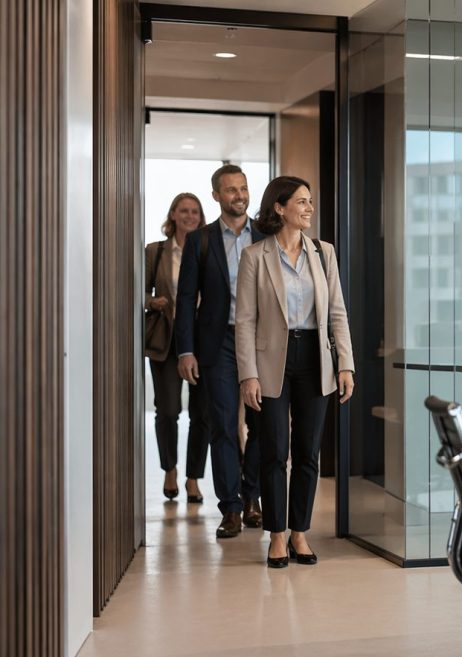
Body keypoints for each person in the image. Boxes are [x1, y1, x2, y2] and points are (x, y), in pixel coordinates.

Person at [235, 176, 354, 568]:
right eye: (302, 202)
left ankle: (300, 533)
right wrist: (247, 375)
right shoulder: (255, 256)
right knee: (274, 451)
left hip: (315, 358)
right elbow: (246, 321)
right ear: (280, 208)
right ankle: (277, 535)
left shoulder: (324, 253)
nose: (309, 208)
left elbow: (337, 311)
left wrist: (345, 365)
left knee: (308, 452)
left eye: (310, 202)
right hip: (272, 361)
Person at [175, 164, 265, 539]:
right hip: (218, 343)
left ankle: (252, 499)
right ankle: (230, 507)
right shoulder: (202, 240)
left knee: (261, 425)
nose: (239, 195)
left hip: (261, 341)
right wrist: (186, 351)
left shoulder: (266, 235)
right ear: (216, 195)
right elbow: (185, 298)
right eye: (230, 190)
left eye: (243, 188)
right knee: (224, 425)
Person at [146, 193, 210, 504]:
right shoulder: (155, 252)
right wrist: (152, 302)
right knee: (168, 410)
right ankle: (170, 469)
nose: (189, 216)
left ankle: (193, 479)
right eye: (183, 210)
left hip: (204, 342)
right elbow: (138, 292)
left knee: (202, 414)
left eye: (195, 211)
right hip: (167, 343)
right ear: (173, 214)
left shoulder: (208, 248)